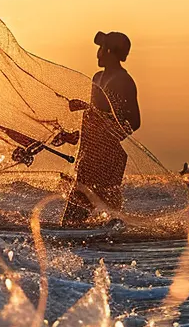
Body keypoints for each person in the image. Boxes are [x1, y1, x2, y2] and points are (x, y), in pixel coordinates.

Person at [56, 31, 141, 226]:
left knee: (95, 213)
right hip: (89, 155)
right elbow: (96, 116)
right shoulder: (97, 77)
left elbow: (134, 121)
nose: (97, 54)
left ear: (110, 51)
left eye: (101, 49)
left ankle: (107, 245)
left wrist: (108, 140)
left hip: (108, 158)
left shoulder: (123, 81)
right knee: (76, 215)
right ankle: (98, 243)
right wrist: (74, 136)